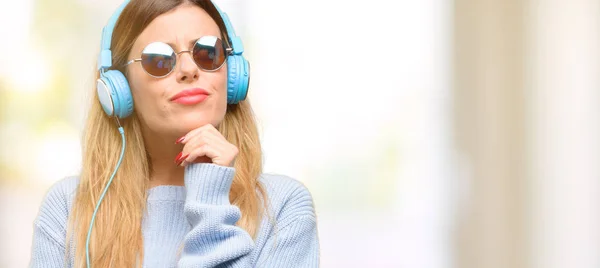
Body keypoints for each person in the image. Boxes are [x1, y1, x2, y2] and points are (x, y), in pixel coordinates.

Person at [29, 0, 319, 267]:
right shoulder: (68, 208)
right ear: (120, 88)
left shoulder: (282, 208)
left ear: (232, 73)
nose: (189, 69)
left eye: (208, 52)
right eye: (159, 59)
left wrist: (210, 200)